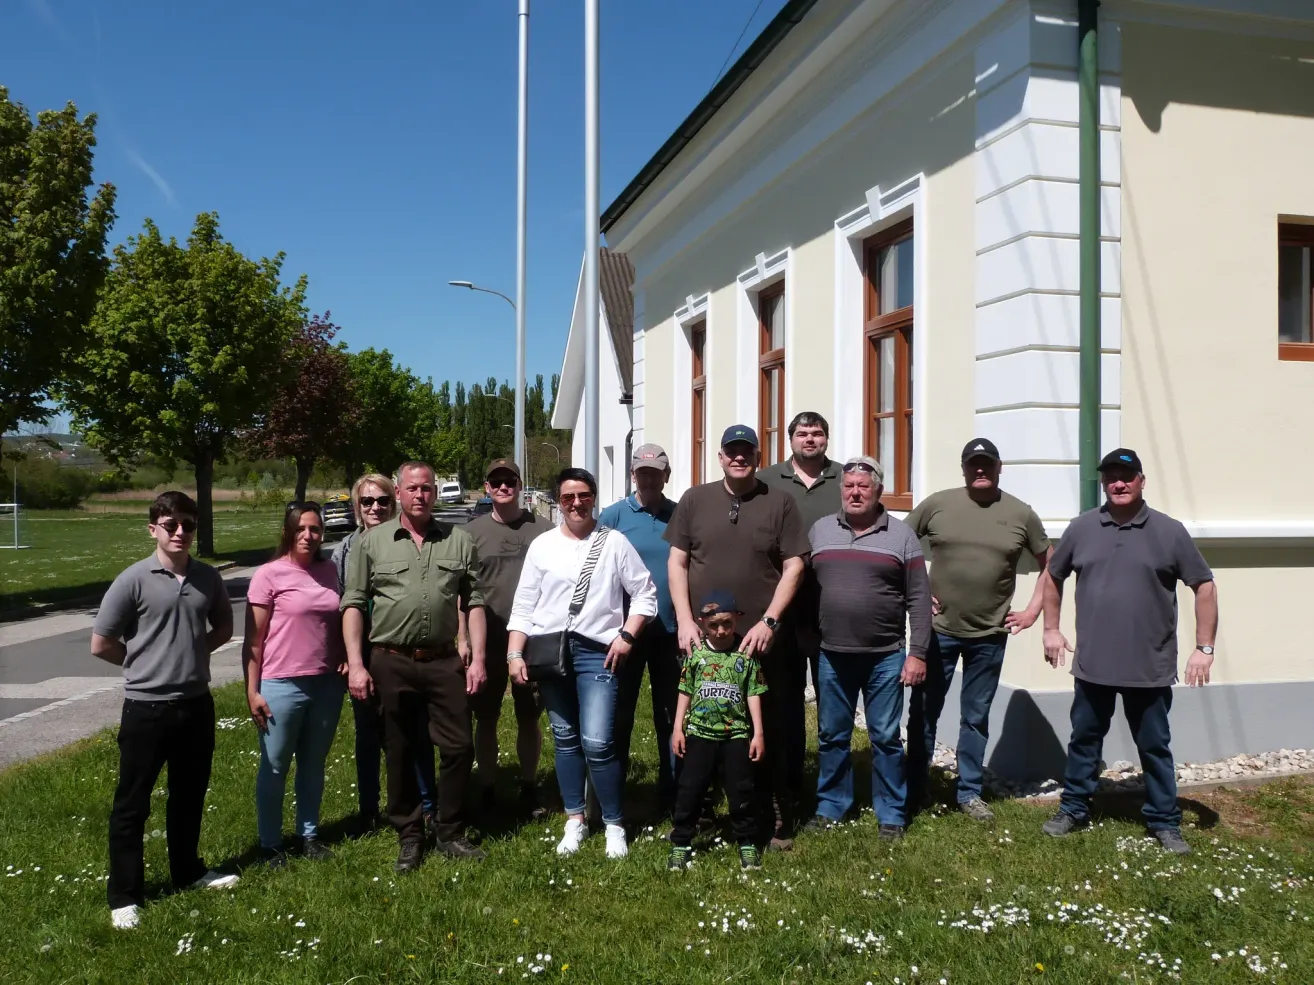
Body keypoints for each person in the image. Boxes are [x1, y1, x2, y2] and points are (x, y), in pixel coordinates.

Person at [1040, 448, 1218, 855]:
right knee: (1085, 740)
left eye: (1127, 476)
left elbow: (1204, 585)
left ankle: (1164, 821)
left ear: (1141, 480)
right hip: (1093, 666)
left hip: (1149, 666)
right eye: (1111, 477)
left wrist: (1203, 648)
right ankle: (1073, 809)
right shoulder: (1082, 528)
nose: (1118, 484)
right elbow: (1053, 576)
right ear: (1104, 483)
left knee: (1154, 746)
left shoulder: (1169, 532)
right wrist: (1051, 628)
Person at [91, 491, 239, 931]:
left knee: (189, 795)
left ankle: (188, 871)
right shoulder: (133, 579)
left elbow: (224, 626)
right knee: (132, 804)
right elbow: (101, 644)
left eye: (188, 525)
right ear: (153, 527)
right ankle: (124, 896)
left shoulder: (208, 578)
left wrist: (193, 655)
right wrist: (144, 665)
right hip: (146, 709)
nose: (180, 532)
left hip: (196, 704)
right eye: (170, 524)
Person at [666, 424, 809, 849]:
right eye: (732, 451)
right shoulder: (695, 499)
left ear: (758, 456)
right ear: (721, 456)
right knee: (702, 725)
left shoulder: (779, 502)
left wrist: (770, 621)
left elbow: (795, 565)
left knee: (768, 726)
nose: (739, 457)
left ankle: (772, 811)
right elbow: (677, 563)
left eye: (747, 451)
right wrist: (686, 621)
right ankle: (702, 812)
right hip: (704, 641)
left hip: (759, 641)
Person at [341, 461, 489, 872]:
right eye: (411, 488)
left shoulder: (458, 541)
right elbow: (353, 604)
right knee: (400, 749)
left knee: (459, 746)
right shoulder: (372, 544)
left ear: (435, 493)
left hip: (444, 660)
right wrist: (356, 664)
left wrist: (476, 657)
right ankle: (409, 834)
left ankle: (450, 830)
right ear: (400, 494)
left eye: (427, 488)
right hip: (391, 661)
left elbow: (473, 602)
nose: (420, 495)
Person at [506, 467, 657, 859]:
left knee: (598, 741)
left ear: (594, 498)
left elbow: (645, 595)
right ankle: (574, 819)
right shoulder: (542, 546)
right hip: (550, 654)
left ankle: (613, 825)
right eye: (569, 497)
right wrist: (514, 652)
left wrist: (626, 637)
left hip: (598, 653)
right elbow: (524, 605)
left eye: (584, 495)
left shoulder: (614, 543)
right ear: (558, 501)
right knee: (566, 739)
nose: (577, 503)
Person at [904, 438, 1053, 822]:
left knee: (975, 717)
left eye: (987, 463)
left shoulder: (1021, 513)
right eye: (974, 464)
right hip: (937, 631)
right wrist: (917, 594)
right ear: (964, 468)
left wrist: (1034, 609)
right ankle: (916, 787)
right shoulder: (938, 504)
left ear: (1000, 467)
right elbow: (899, 546)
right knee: (924, 711)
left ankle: (968, 792)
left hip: (990, 633)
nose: (981, 469)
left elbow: (1052, 563)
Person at [804, 457, 931, 841]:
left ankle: (891, 813)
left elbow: (920, 598)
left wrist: (918, 652)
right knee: (832, 736)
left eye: (863, 486)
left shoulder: (902, 535)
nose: (855, 492)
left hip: (885, 656)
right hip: (832, 654)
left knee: (886, 738)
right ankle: (831, 807)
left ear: (878, 491)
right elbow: (804, 589)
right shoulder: (821, 530)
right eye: (848, 486)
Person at [330, 474, 438, 835]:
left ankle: (427, 805)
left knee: (416, 731)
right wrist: (348, 655)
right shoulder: (345, 549)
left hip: (404, 652)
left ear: (394, 503)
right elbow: (343, 604)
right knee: (368, 734)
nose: (375, 508)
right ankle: (369, 808)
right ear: (356, 507)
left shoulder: (406, 540)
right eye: (367, 502)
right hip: (363, 653)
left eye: (383, 501)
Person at [243, 503, 346, 864]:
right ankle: (270, 843)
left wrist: (345, 654)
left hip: (326, 683)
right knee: (274, 765)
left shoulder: (330, 570)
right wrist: (252, 691)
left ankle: (309, 834)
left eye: (315, 529)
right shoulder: (269, 575)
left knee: (314, 763)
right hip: (281, 683)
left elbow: (336, 622)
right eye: (301, 528)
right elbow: (253, 641)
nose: (308, 536)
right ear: (288, 531)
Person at [460, 458, 550, 817]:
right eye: (495, 481)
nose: (502, 486)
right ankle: (487, 787)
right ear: (486, 487)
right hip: (488, 642)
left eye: (509, 480)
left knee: (530, 717)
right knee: (486, 717)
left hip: (532, 642)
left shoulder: (542, 530)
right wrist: (463, 638)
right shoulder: (471, 534)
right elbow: (460, 593)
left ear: (519, 483)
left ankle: (529, 786)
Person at [757, 412, 841, 786]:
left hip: (832, 606)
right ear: (790, 439)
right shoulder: (767, 480)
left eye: (817, 433)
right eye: (803, 433)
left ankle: (831, 783)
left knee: (832, 699)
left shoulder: (845, 478)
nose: (810, 439)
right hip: (782, 607)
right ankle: (789, 779)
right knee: (785, 700)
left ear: (826, 439)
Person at [598, 443, 681, 815]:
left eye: (656, 472)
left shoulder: (679, 515)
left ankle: (674, 791)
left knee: (671, 715)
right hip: (624, 635)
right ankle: (613, 791)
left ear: (666, 475)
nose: (649, 478)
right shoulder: (613, 516)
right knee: (619, 715)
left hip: (671, 633)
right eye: (642, 472)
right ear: (634, 474)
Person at [668, 591, 766, 872]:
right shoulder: (696, 654)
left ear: (737, 620)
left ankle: (746, 841)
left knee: (741, 789)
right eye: (713, 625)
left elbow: (754, 692)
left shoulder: (745, 654)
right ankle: (681, 842)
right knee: (691, 789)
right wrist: (678, 727)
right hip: (699, 733)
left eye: (727, 624)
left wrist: (757, 733)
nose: (721, 631)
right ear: (701, 624)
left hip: (735, 734)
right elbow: (684, 689)